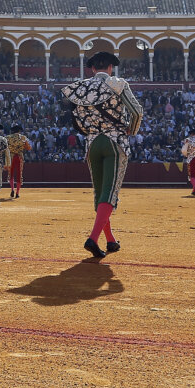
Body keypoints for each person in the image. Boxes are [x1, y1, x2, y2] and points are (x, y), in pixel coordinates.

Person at [61, 51, 142, 258]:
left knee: (100, 192)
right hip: (115, 142)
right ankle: (93, 238)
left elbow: (75, 121)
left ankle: (110, 239)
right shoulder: (117, 83)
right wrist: (130, 131)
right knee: (110, 192)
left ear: (92, 69)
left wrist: (89, 130)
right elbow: (137, 112)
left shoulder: (80, 87)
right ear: (110, 68)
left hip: (92, 144)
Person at [5, 124, 32, 198]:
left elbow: (4, 147)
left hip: (11, 157)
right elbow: (29, 148)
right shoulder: (23, 137)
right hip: (19, 157)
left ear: (12, 131)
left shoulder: (8, 137)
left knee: (11, 174)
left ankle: (12, 189)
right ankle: (17, 193)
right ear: (19, 131)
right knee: (19, 174)